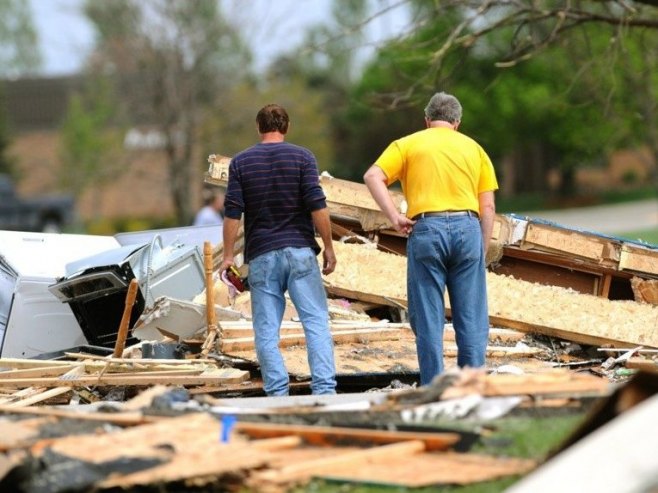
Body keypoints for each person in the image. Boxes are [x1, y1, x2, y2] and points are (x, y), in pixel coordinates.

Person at [363, 91, 498, 386]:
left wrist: (394, 217)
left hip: (426, 228)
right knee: (471, 319)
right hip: (467, 227)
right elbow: (487, 206)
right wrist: (481, 249)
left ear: (426, 120)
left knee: (428, 318)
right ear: (457, 122)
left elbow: (373, 176)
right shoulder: (474, 149)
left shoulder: (408, 144)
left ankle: (434, 390)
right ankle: (472, 389)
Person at [220, 103, 337, 396]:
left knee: (266, 330)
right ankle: (324, 391)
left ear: (258, 127)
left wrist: (227, 257)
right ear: (286, 127)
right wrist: (329, 247)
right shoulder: (303, 158)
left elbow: (233, 212)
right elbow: (317, 205)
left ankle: (276, 394)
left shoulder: (241, 163)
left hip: (262, 256)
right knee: (315, 322)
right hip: (300, 252)